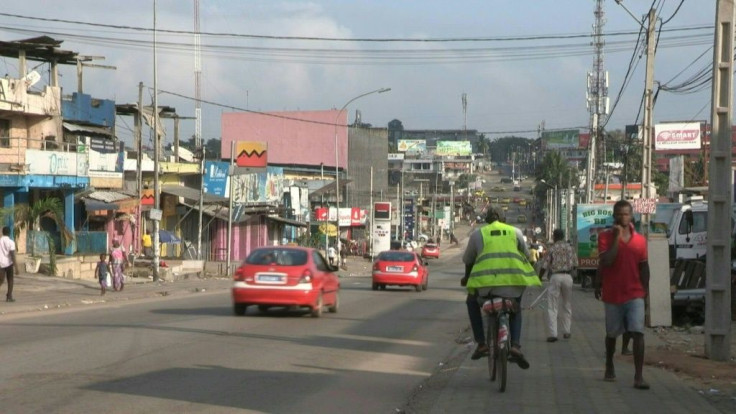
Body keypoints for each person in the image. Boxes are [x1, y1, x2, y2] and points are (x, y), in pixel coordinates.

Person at [461, 206, 541, 369]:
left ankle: (482, 343)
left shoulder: (478, 234)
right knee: (515, 309)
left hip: (486, 286)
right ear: (504, 220)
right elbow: (527, 256)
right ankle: (516, 345)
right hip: (513, 284)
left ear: (487, 220)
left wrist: (467, 279)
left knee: (471, 302)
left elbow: (468, 260)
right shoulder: (516, 232)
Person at [595, 200, 650, 390]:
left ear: (632, 216)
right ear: (613, 216)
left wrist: (646, 291)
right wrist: (617, 238)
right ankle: (609, 364)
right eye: (619, 214)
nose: (622, 217)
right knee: (612, 334)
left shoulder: (640, 240)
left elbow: (644, 267)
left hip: (635, 293)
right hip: (612, 293)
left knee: (638, 333)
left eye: (626, 214)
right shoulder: (605, 237)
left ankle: (639, 376)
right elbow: (607, 261)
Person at [538, 229, 577, 342]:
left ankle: (553, 334)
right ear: (563, 236)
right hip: (568, 277)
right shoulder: (570, 248)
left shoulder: (552, 248)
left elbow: (544, 265)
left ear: (554, 237)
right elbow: (575, 265)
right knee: (567, 305)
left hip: (555, 277)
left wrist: (539, 278)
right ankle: (566, 331)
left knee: (552, 306)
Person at [0, 226, 18, 302]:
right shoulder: (11, 242)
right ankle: (9, 296)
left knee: (1, 280)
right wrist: (16, 267)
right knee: (10, 280)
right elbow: (12, 255)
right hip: (9, 263)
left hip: (0, 263)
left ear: (2, 232)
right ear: (9, 233)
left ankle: (9, 296)